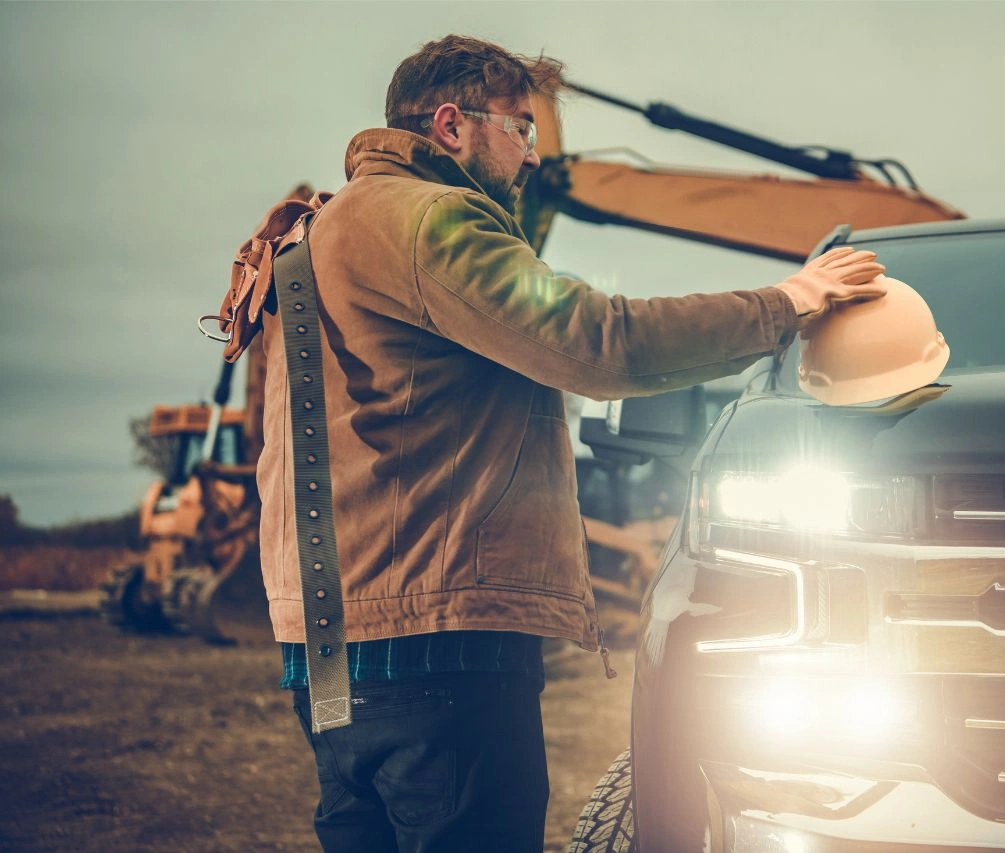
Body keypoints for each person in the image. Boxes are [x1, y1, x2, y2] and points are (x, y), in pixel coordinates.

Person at [258, 34, 887, 853]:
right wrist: (787, 301)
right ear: (452, 125)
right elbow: (600, 341)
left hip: (328, 654)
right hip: (439, 644)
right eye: (521, 128)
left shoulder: (318, 233)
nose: (528, 158)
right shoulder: (434, 220)